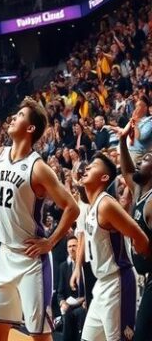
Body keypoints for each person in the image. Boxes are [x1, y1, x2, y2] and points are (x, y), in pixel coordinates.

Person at [0, 97, 80, 341]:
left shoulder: (39, 168)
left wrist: (51, 242)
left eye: (20, 115)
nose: (13, 117)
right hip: (5, 255)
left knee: (39, 336)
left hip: (32, 259)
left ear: (30, 129)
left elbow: (72, 208)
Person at [79, 154, 149, 340]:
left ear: (104, 178)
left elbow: (139, 235)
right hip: (102, 284)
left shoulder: (106, 204)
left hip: (118, 282)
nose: (86, 168)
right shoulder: (92, 207)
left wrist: (145, 260)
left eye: (92, 166)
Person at [116, 118, 152, 337]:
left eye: (147, 159)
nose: (140, 161)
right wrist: (122, 141)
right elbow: (127, 169)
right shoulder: (140, 192)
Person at [56, 236, 85, 341]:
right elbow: (59, 293)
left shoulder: (87, 266)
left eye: (74, 246)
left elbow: (93, 289)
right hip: (70, 305)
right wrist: (62, 302)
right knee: (67, 313)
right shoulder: (63, 267)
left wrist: (86, 300)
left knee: (80, 312)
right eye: (69, 246)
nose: (71, 249)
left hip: (84, 304)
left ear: (79, 247)